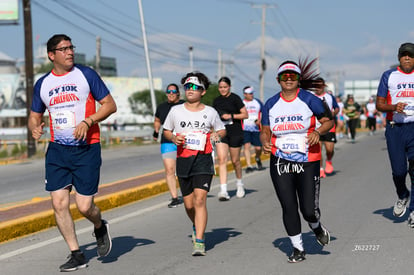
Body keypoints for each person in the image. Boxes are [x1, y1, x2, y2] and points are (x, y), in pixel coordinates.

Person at [28, 34, 117, 272]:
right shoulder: (43, 84)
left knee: (85, 207)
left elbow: (110, 105)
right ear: (51, 55)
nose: (70, 52)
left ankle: (99, 226)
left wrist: (89, 121)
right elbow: (34, 116)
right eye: (64, 49)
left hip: (87, 148)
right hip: (57, 150)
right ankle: (76, 253)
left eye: (71, 47)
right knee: (58, 203)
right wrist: (34, 128)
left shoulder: (85, 74)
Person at [260, 59, 333, 263]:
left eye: (293, 76)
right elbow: (265, 131)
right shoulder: (271, 104)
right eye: (285, 76)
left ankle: (316, 226)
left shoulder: (310, 100)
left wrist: (318, 132)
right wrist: (265, 142)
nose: (289, 79)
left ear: (299, 79)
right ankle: (298, 248)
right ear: (278, 79)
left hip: (308, 159)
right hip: (280, 159)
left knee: (308, 210)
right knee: (288, 205)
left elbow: (329, 121)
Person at [163, 72, 226, 256]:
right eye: (187, 87)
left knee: (200, 200)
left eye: (194, 87)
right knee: (189, 205)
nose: (189, 90)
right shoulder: (175, 111)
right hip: (183, 160)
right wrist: (174, 137)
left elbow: (222, 130)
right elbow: (166, 131)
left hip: (203, 159)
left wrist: (216, 135)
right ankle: (195, 223)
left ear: (203, 91)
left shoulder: (210, 112)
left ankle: (199, 240)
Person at [376, 42, 414, 227]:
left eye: (411, 55)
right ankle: (403, 195)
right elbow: (379, 104)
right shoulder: (389, 76)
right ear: (399, 57)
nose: (407, 57)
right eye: (404, 54)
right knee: (399, 171)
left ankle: (413, 209)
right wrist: (393, 107)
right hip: (395, 129)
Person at [213, 76, 248, 200]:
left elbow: (245, 114)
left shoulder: (235, 98)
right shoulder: (216, 101)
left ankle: (240, 184)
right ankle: (223, 190)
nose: (222, 89)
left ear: (229, 87)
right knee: (222, 159)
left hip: (235, 132)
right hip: (221, 133)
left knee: (235, 161)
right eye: (220, 87)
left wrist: (231, 116)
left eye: (225, 87)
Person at [153, 83, 185, 208]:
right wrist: (156, 131)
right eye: (168, 91)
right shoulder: (161, 107)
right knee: (170, 170)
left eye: (173, 91)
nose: (171, 94)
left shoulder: (184, 105)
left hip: (184, 141)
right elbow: (157, 120)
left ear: (178, 93)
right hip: (167, 141)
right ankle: (175, 197)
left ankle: (189, 192)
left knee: (185, 169)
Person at [311, 78, 339, 177]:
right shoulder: (311, 98)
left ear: (323, 86)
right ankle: (320, 169)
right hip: (316, 128)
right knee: (317, 151)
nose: (317, 88)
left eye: (319, 85)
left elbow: (336, 108)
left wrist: (333, 113)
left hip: (329, 126)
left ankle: (329, 160)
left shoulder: (330, 97)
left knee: (329, 149)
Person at [242, 86, 264, 173]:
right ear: (245, 94)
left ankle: (257, 158)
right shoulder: (241, 103)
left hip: (256, 128)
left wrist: (260, 120)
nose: (251, 95)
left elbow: (263, 112)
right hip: (245, 127)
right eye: (249, 93)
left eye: (252, 93)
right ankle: (249, 165)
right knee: (246, 146)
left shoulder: (257, 102)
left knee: (258, 148)